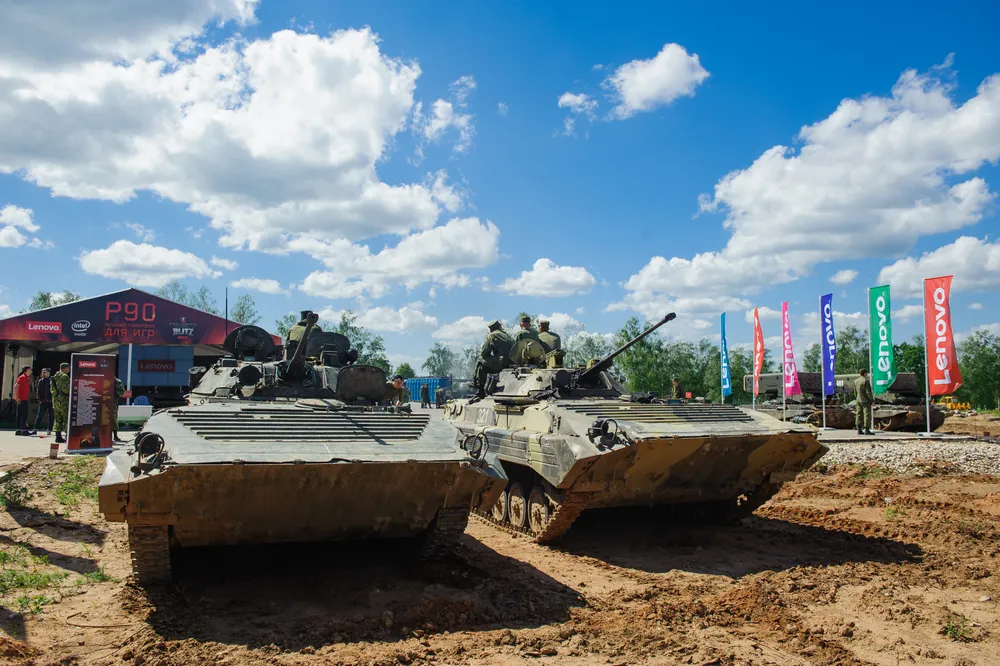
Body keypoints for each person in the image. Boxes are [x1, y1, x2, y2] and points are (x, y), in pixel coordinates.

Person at [473, 320, 513, 394]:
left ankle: (478, 386)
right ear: (499, 326)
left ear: (490, 329)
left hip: (501, 363)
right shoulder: (507, 335)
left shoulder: (492, 335)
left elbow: (483, 353)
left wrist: (490, 356)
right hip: (512, 362)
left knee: (480, 361)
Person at [52, 362, 71, 444]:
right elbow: (66, 389)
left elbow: (52, 389)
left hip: (56, 400)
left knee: (57, 418)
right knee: (66, 418)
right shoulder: (65, 377)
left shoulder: (55, 376)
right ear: (65, 368)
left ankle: (58, 436)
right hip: (64, 400)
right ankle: (67, 436)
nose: (69, 370)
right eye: (68, 368)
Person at [33, 368, 53, 436]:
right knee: (39, 415)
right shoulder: (41, 381)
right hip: (43, 400)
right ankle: (35, 429)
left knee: (51, 416)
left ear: (48, 373)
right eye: (42, 372)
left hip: (51, 401)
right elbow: (38, 390)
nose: (43, 374)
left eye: (45, 372)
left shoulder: (52, 380)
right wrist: (39, 398)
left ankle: (49, 429)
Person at [854, 369, 875, 435]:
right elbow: (868, 392)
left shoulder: (856, 381)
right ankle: (867, 430)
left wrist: (857, 398)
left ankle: (859, 429)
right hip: (865, 401)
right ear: (865, 373)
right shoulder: (866, 381)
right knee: (867, 415)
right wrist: (872, 401)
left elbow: (855, 392)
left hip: (858, 400)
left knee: (859, 414)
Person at [13, 366, 32, 436]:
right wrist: (17, 397)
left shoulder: (27, 378)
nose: (31, 370)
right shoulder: (22, 377)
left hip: (24, 398)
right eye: (30, 369)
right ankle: (24, 430)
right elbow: (16, 386)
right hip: (22, 399)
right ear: (26, 370)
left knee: (20, 414)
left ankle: (18, 430)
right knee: (24, 414)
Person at [113, 377, 126, 441]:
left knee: (113, 419)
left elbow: (122, 392)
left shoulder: (117, 381)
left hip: (112, 403)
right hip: (102, 403)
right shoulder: (102, 378)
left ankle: (115, 435)